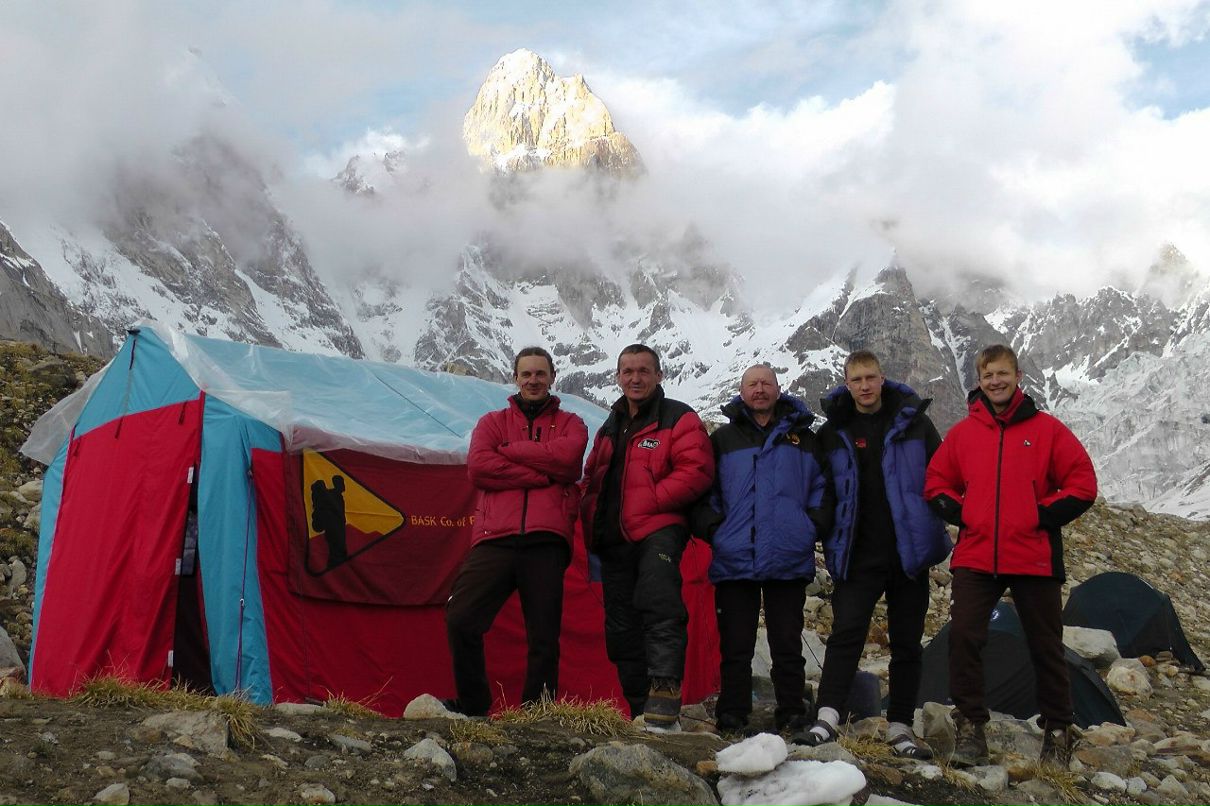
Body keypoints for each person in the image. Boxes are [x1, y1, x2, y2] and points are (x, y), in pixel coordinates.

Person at [925, 344, 1097, 768]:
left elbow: (1082, 483)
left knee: (1046, 645)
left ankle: (1058, 730)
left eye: (1002, 373)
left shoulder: (1047, 430)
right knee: (964, 636)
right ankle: (971, 727)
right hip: (977, 553)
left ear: (1018, 376)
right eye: (988, 375)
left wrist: (1039, 516)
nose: (995, 381)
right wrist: (965, 512)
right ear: (979, 381)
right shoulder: (964, 434)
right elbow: (936, 482)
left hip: (1033, 554)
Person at [798, 350, 951, 759]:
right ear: (846, 384)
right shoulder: (834, 431)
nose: (864, 386)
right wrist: (817, 526)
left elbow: (942, 475)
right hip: (857, 553)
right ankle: (826, 719)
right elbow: (820, 488)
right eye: (857, 380)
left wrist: (945, 517)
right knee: (846, 635)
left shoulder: (915, 424)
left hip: (908, 554)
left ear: (883, 378)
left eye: (870, 377)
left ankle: (900, 727)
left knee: (907, 643)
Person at [445, 346, 589, 716]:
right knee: (461, 617)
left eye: (540, 373)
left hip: (547, 538)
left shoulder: (572, 423)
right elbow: (480, 468)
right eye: (526, 374)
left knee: (543, 634)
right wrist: (542, 474)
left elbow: (568, 461)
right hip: (495, 537)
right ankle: (474, 705)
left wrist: (509, 451)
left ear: (552, 377)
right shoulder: (492, 422)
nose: (533, 380)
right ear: (515, 378)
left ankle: (536, 713)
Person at [692, 365, 833, 736]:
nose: (759, 389)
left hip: (787, 553)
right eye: (752, 384)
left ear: (778, 389)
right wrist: (715, 530)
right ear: (742, 391)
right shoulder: (723, 439)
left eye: (766, 383)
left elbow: (823, 487)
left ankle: (792, 712)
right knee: (735, 644)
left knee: (786, 642)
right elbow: (704, 490)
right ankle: (732, 714)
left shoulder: (804, 439)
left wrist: (809, 526)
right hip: (735, 556)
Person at [581, 343, 714, 731]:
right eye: (628, 371)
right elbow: (592, 476)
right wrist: (590, 513)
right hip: (613, 537)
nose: (635, 378)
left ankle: (664, 690)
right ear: (618, 377)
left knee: (659, 603)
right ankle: (640, 707)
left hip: (659, 529)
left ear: (659, 375)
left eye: (643, 370)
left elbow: (696, 470)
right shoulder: (610, 425)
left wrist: (649, 502)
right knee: (620, 625)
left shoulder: (678, 417)